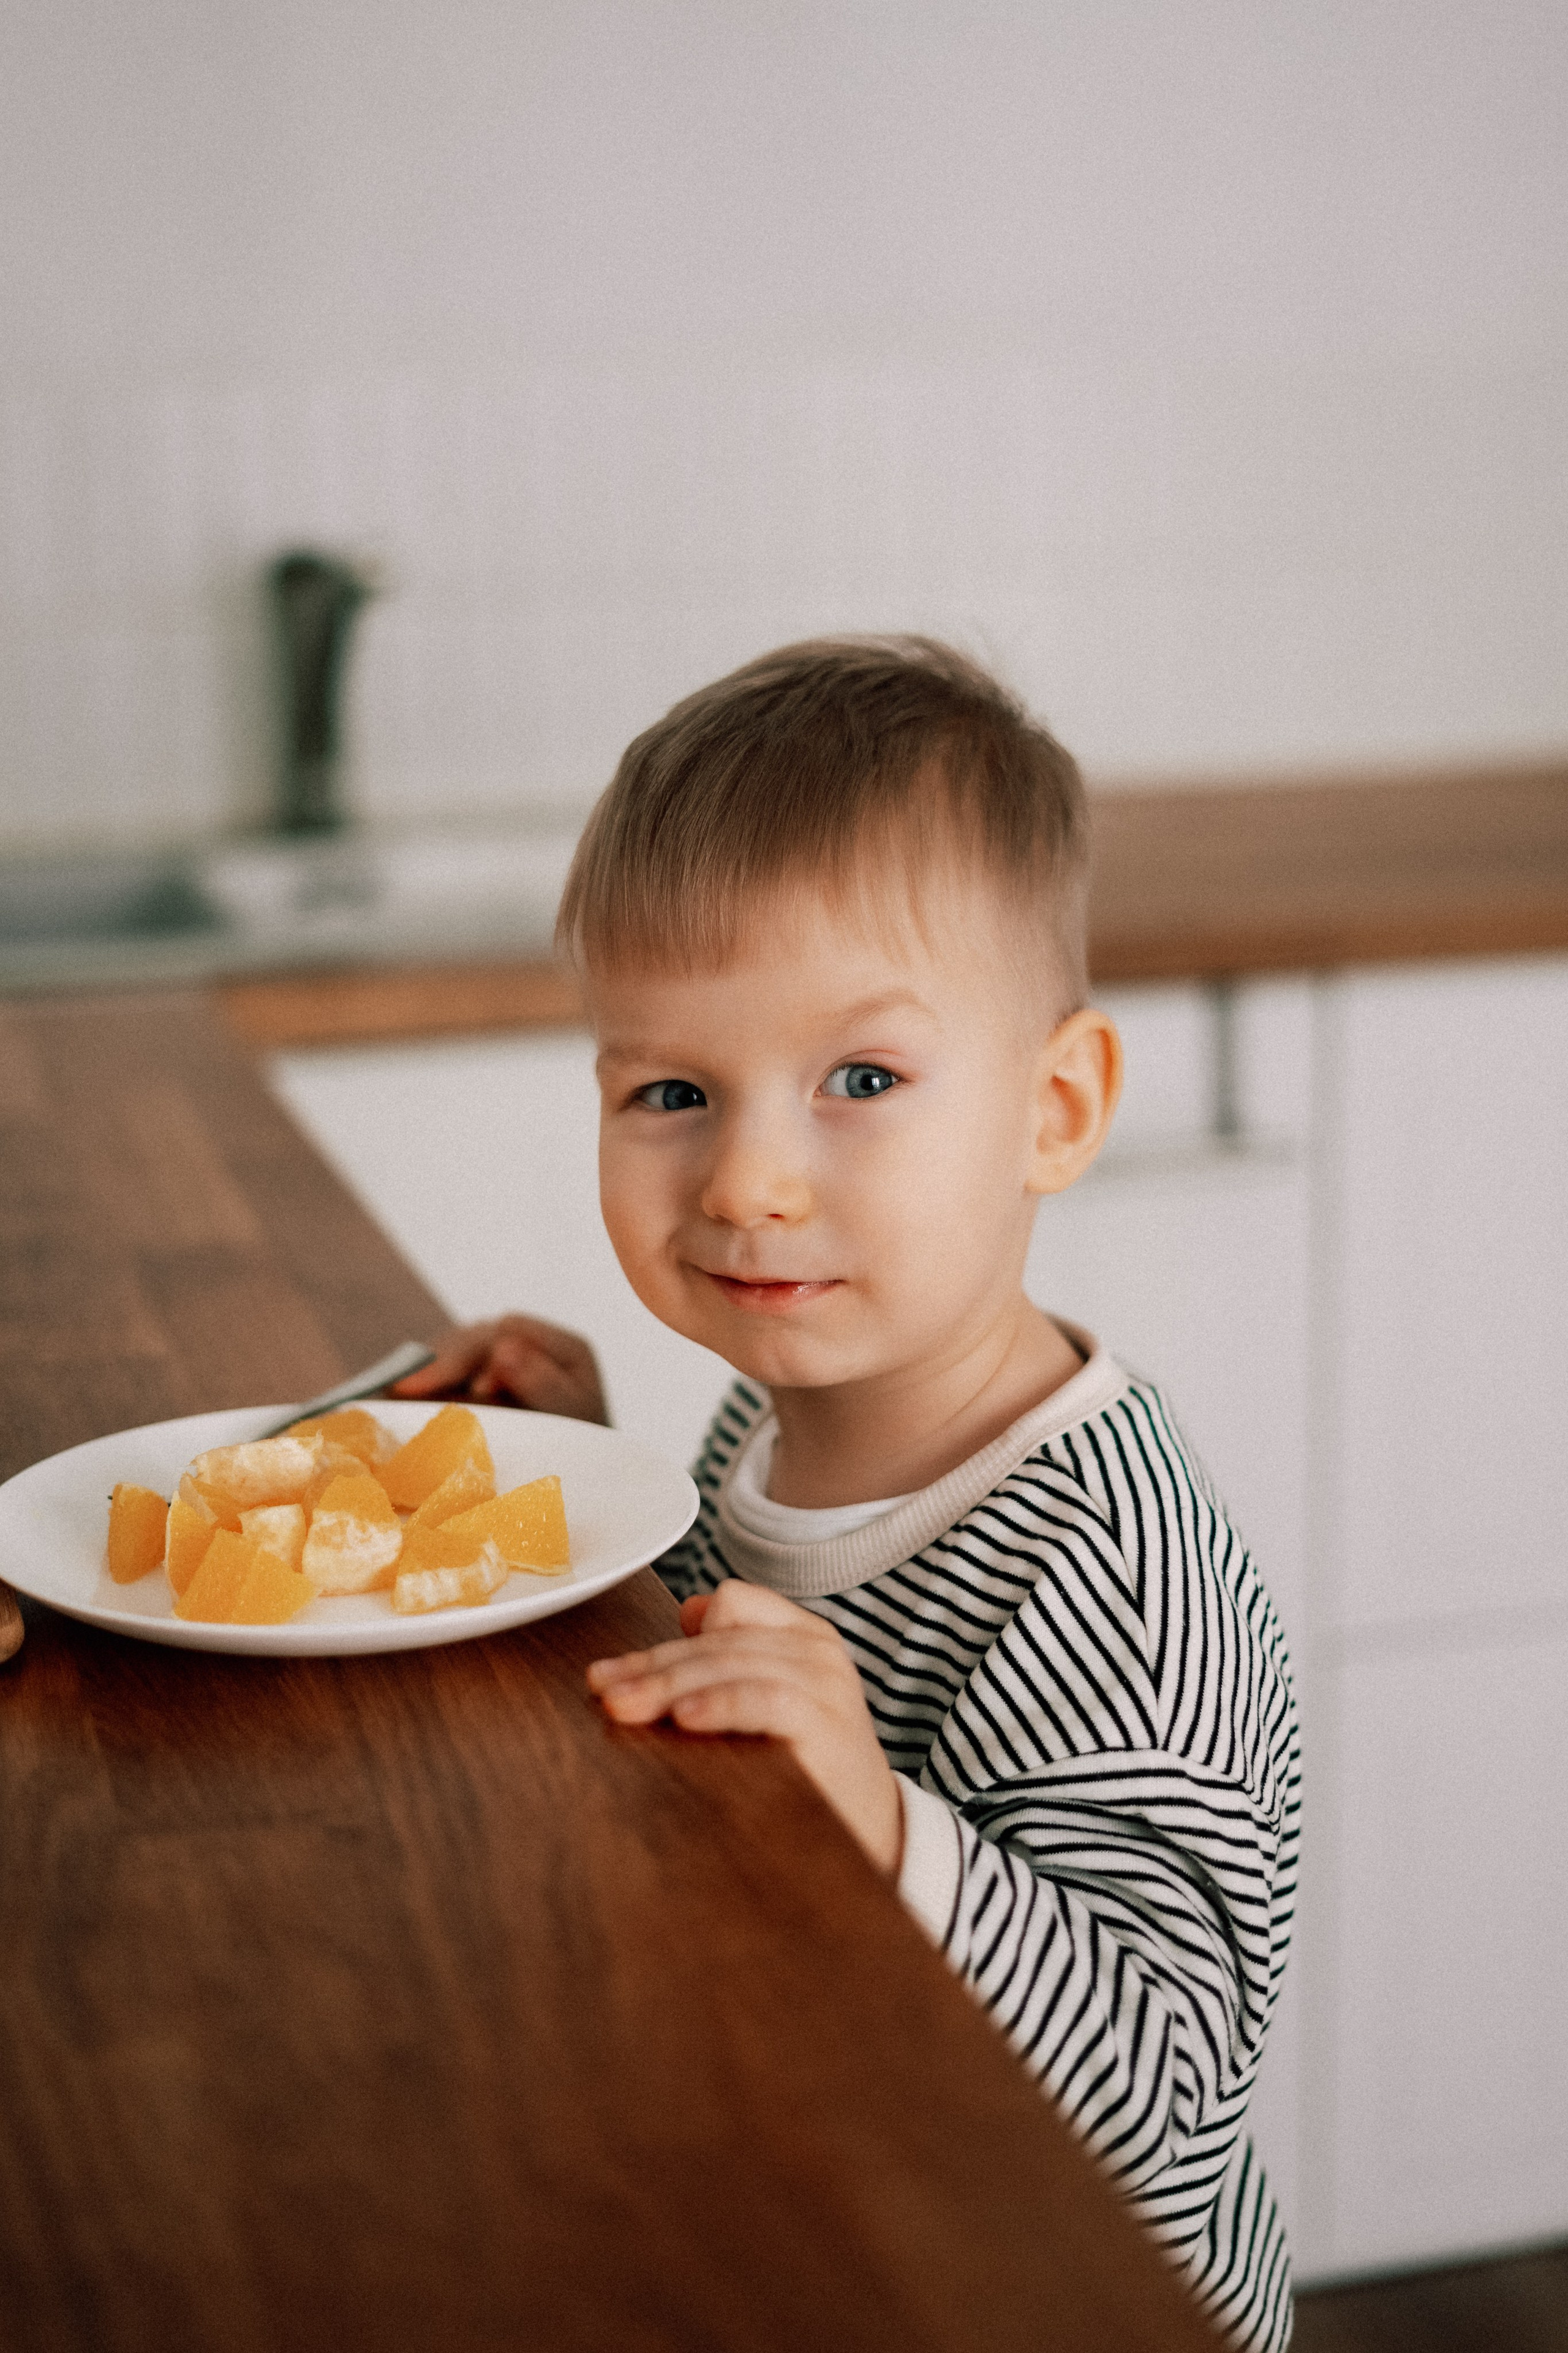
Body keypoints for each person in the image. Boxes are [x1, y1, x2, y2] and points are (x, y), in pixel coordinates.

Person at [397, 638, 1299, 2352]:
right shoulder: (789, 1393)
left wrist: (889, 1823)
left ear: (1054, 1107)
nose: (745, 1178)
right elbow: (747, 1643)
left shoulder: (1107, 1575)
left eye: (860, 1082)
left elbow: (1167, 2095)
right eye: (671, 1090)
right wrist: (596, 1462)